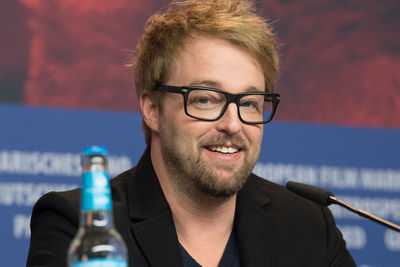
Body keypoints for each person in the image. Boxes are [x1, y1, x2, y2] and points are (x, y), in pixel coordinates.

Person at [27, 0, 356, 266]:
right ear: (152, 109)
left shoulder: (308, 225)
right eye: (205, 99)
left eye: (251, 102)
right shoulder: (82, 227)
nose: (233, 124)